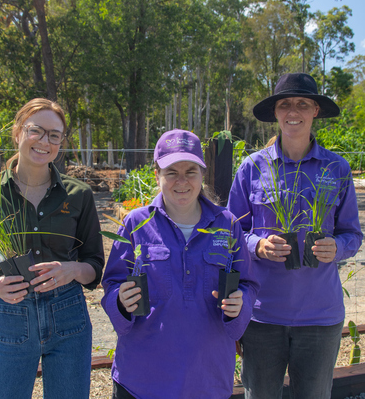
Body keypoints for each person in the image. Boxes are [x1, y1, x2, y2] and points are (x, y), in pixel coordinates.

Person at [228, 73, 363, 399]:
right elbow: (229, 232)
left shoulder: (337, 169)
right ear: (275, 112)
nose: (293, 111)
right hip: (262, 317)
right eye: (285, 104)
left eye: (302, 104)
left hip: (320, 318)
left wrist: (337, 247)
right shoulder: (252, 168)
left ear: (315, 110)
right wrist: (256, 244)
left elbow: (352, 235)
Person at [0, 98, 105, 398]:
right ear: (17, 132)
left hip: (69, 319)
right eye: (36, 130)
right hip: (13, 316)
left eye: (55, 135)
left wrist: (72, 269)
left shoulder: (79, 196)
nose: (44, 141)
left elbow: (94, 266)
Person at [102, 129, 259, 399]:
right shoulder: (136, 223)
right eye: (171, 172)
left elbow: (249, 283)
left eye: (191, 171)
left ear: (202, 175)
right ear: (157, 176)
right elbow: (112, 284)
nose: (182, 181)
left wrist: (240, 300)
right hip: (142, 379)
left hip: (207, 379)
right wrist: (120, 301)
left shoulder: (227, 224)